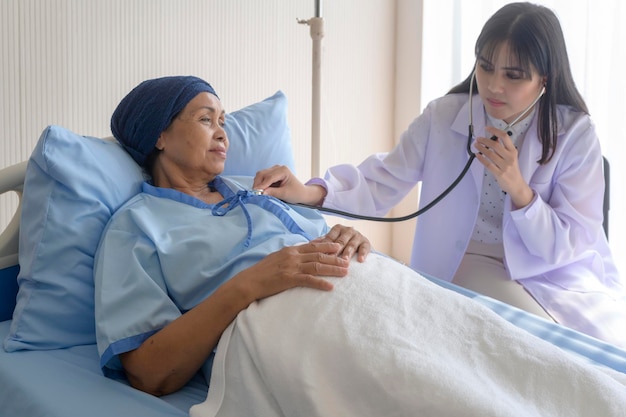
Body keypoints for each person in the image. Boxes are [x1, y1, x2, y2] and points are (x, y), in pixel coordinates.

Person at [252, 2, 625, 348]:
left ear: (545, 77)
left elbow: (570, 244)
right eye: (486, 66)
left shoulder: (575, 134)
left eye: (513, 75)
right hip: (468, 261)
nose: (494, 85)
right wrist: (309, 193)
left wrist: (519, 189)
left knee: (589, 353)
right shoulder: (445, 115)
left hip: (554, 274)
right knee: (521, 345)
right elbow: (381, 179)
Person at [94, 75, 372, 397]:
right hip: (293, 328)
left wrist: (349, 238)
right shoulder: (135, 225)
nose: (223, 133)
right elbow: (148, 372)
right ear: (160, 136)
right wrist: (250, 283)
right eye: (206, 119)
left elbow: (321, 238)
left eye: (222, 121)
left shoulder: (254, 188)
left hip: (362, 287)